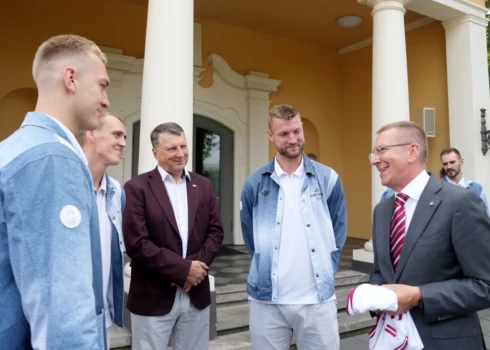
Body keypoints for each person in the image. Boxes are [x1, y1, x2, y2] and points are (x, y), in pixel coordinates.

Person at [0, 34, 110, 349]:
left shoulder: (13, 149)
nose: (106, 100)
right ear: (71, 78)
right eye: (102, 85)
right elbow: (63, 314)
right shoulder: (53, 159)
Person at [369, 121, 490, 349]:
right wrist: (372, 294)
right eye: (373, 153)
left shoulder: (461, 202)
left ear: (412, 151)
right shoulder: (382, 210)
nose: (374, 160)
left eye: (381, 151)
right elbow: (380, 272)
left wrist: (419, 295)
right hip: (391, 340)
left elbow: (485, 285)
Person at [241, 104, 347, 350]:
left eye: (297, 131)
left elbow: (338, 232)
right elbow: (250, 238)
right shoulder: (253, 184)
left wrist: (328, 268)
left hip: (317, 300)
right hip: (267, 301)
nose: (293, 139)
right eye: (284, 134)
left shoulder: (328, 179)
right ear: (270, 135)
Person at [122, 122, 224, 350]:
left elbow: (215, 232)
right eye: (171, 149)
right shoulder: (136, 188)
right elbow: (136, 243)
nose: (180, 154)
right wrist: (182, 270)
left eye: (183, 146)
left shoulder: (204, 185)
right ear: (155, 153)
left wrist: (196, 271)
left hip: (196, 295)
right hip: (153, 296)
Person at [80, 112, 128, 348]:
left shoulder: (117, 191)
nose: (123, 143)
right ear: (91, 133)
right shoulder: (67, 183)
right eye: (117, 134)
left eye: (125, 137)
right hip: (72, 316)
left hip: (102, 315)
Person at [440, 147, 490, 216]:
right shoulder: (437, 189)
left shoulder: (476, 189)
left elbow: (486, 217)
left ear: (461, 162)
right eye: (445, 164)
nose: (449, 167)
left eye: (452, 162)